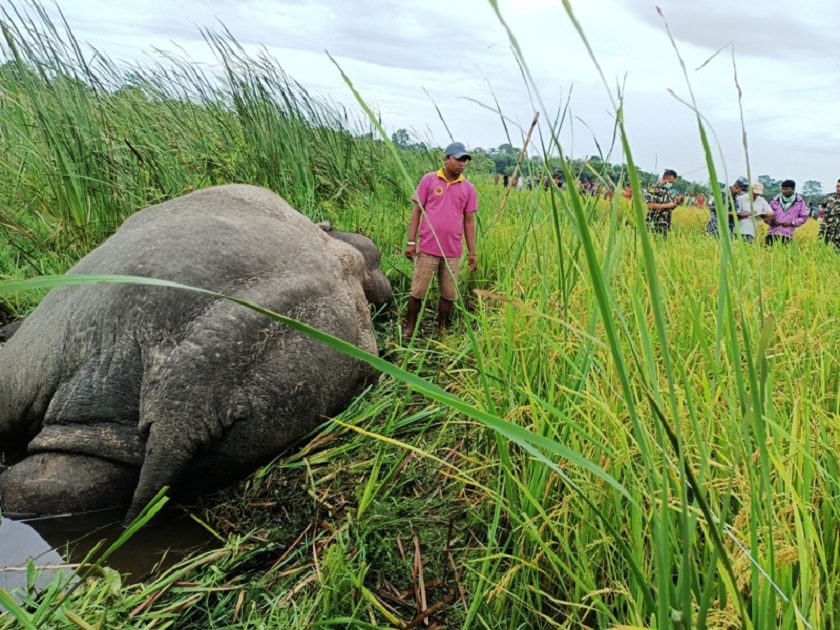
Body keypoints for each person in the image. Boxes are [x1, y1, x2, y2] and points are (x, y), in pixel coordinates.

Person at [404, 141, 478, 339]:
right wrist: (411, 242)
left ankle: (441, 328)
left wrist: (472, 253)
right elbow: (417, 210)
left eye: (465, 160)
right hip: (427, 247)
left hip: (452, 251)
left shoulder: (468, 188)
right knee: (418, 291)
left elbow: (469, 221)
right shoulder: (429, 180)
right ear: (446, 159)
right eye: (458, 159)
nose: (462, 163)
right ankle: (410, 327)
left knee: (449, 293)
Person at [764, 179, 810, 245]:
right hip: (772, 233)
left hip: (787, 235)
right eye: (782, 189)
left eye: (786, 189)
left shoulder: (799, 202)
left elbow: (804, 217)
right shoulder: (775, 201)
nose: (784, 191)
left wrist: (792, 222)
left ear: (793, 189)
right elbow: (767, 215)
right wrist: (771, 221)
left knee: (784, 254)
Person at [645, 169, 679, 236]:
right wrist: (668, 205)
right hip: (653, 224)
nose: (671, 184)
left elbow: (670, 207)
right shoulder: (653, 189)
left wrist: (674, 205)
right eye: (670, 182)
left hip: (665, 225)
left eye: (672, 183)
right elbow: (650, 205)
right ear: (665, 178)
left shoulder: (669, 192)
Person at [819, 179, 840, 249]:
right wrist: (821, 209)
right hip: (826, 226)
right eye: (837, 186)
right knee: (822, 244)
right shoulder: (829, 196)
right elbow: (821, 204)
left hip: (838, 228)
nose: (838, 189)